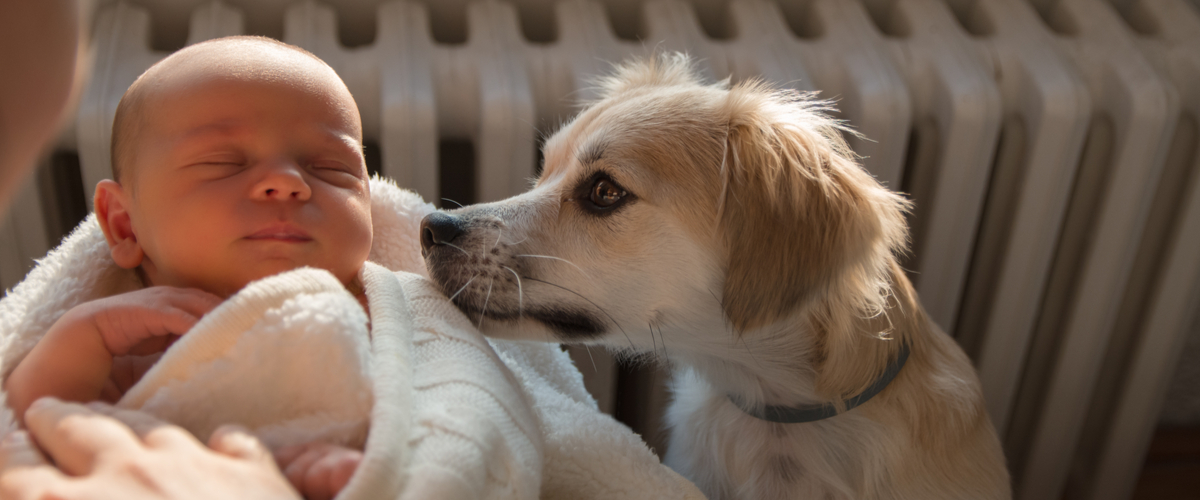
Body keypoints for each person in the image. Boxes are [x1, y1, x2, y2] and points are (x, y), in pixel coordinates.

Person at [2, 33, 375, 500]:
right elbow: (35, 426)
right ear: (125, 225)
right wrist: (84, 333)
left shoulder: (385, 315)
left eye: (330, 167)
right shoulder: (140, 348)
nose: (287, 181)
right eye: (222, 162)